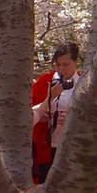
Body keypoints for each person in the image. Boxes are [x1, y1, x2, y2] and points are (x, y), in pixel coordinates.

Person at [31, 41, 80, 184]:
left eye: (66, 65)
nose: (61, 69)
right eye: (58, 64)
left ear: (76, 62)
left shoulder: (83, 84)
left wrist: (72, 119)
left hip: (71, 145)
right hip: (45, 146)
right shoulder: (44, 81)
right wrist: (41, 116)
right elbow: (29, 108)